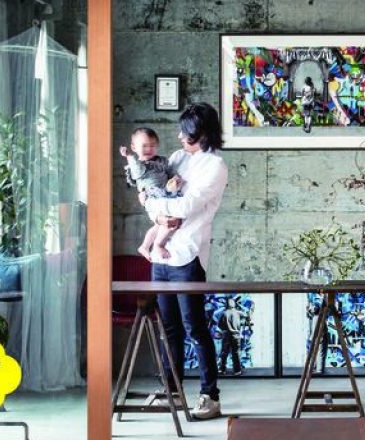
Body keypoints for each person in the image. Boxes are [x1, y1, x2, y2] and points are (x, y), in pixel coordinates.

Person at [139, 102, 229, 420]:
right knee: (169, 328)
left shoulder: (214, 166)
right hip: (161, 256)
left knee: (195, 327)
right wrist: (160, 212)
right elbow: (148, 195)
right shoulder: (177, 158)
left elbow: (187, 206)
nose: (178, 137)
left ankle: (210, 396)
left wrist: (159, 206)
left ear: (201, 133)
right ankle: (172, 392)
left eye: (185, 132)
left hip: (188, 256)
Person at [120, 128, 184, 261]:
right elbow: (137, 172)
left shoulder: (162, 161)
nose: (149, 149)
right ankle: (158, 245)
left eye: (152, 145)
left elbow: (169, 172)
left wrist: (175, 178)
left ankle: (144, 246)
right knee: (170, 221)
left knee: (160, 225)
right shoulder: (137, 165)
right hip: (153, 196)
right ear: (134, 147)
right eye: (144, 146)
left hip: (165, 193)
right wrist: (129, 156)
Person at [217, 297, 245, 376]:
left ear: (227, 304)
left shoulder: (224, 313)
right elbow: (246, 318)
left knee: (224, 353)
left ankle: (222, 370)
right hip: (236, 335)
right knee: (236, 353)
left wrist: (224, 329)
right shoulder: (238, 313)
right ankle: (237, 371)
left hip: (226, 335)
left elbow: (219, 324)